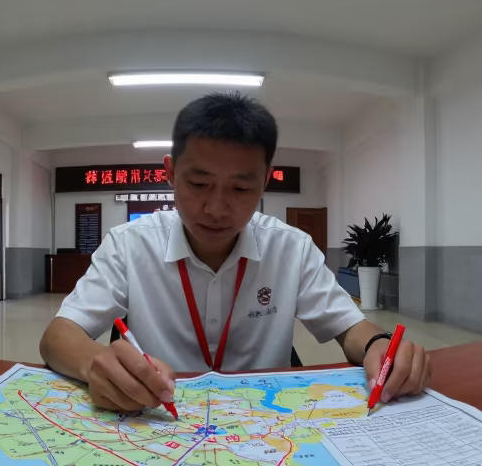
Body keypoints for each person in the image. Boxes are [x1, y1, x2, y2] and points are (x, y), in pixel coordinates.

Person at [39, 92, 430, 411]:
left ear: (265, 180)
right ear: (171, 173)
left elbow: (350, 327)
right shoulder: (129, 244)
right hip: (158, 418)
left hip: (267, 422)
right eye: (198, 184)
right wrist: (95, 363)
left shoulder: (291, 248)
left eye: (241, 189)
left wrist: (380, 347)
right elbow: (58, 337)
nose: (216, 208)